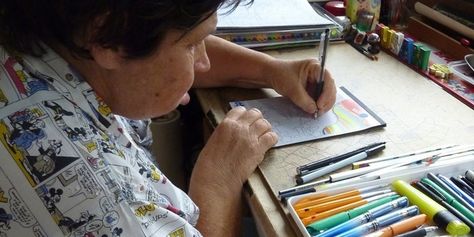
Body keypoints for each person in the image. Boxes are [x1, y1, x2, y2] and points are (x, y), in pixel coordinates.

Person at [0, 0, 336, 236]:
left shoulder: (45, 27)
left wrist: (272, 70)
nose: (202, 61)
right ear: (109, 36)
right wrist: (218, 182)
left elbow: (154, 50)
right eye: (193, 45)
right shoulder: (106, 209)